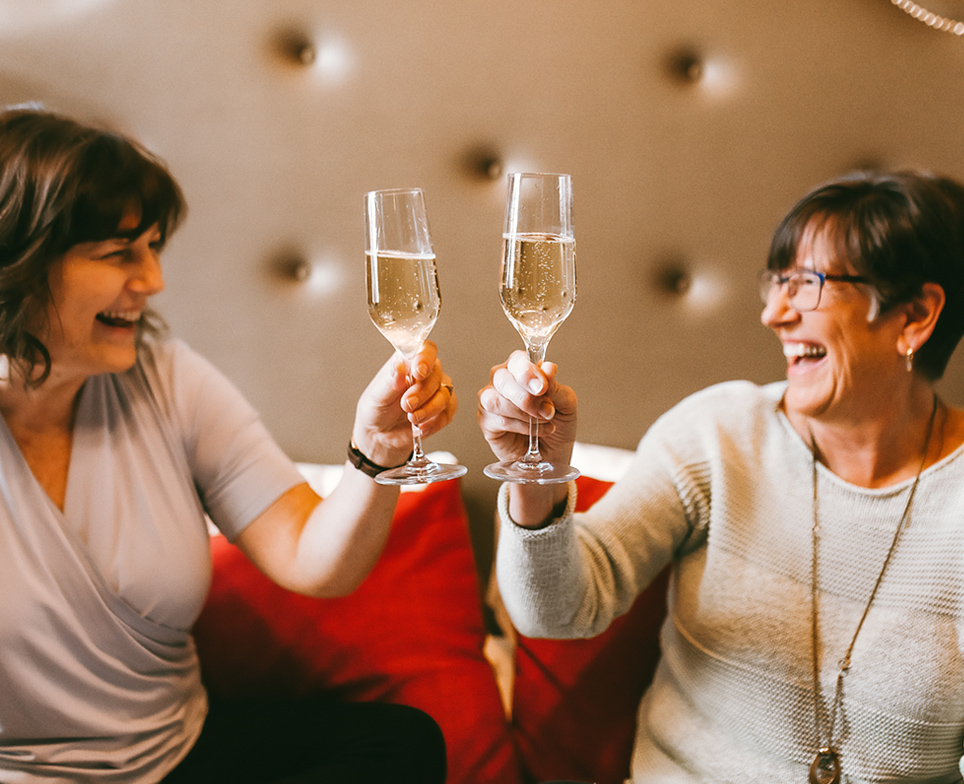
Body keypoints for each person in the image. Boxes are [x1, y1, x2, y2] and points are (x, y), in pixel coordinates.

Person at [0, 105, 450, 784]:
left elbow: (313, 558)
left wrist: (377, 451)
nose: (152, 281)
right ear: (21, 263)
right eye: (121, 253)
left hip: (182, 756)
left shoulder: (166, 376)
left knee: (401, 743)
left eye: (153, 246)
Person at [478, 169, 964, 783]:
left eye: (807, 284)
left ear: (915, 316)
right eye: (776, 282)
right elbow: (560, 610)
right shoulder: (721, 433)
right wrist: (537, 474)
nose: (773, 312)